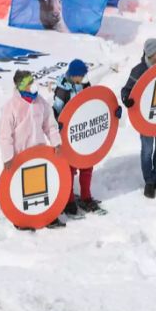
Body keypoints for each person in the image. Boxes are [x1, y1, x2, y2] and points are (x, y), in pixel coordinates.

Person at [0, 70, 64, 229]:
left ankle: (48, 217)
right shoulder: (11, 107)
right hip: (21, 155)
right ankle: (22, 220)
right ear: (22, 86)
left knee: (42, 186)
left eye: (32, 80)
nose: (33, 84)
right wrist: (8, 157)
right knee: (22, 189)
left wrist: (55, 142)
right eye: (29, 82)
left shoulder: (40, 102)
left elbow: (50, 123)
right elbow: (5, 135)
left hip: (39, 151)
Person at [121, 38, 156, 198]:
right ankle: (149, 182)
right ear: (154, 53)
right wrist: (127, 100)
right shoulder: (138, 71)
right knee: (147, 150)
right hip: (146, 118)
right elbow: (126, 90)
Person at [53, 59, 107, 216]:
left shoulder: (85, 85)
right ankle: (68, 200)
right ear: (74, 75)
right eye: (82, 75)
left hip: (84, 134)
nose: (84, 77)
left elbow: (93, 103)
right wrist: (59, 123)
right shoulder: (62, 90)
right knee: (69, 168)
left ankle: (86, 196)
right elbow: (56, 110)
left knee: (87, 165)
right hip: (69, 137)